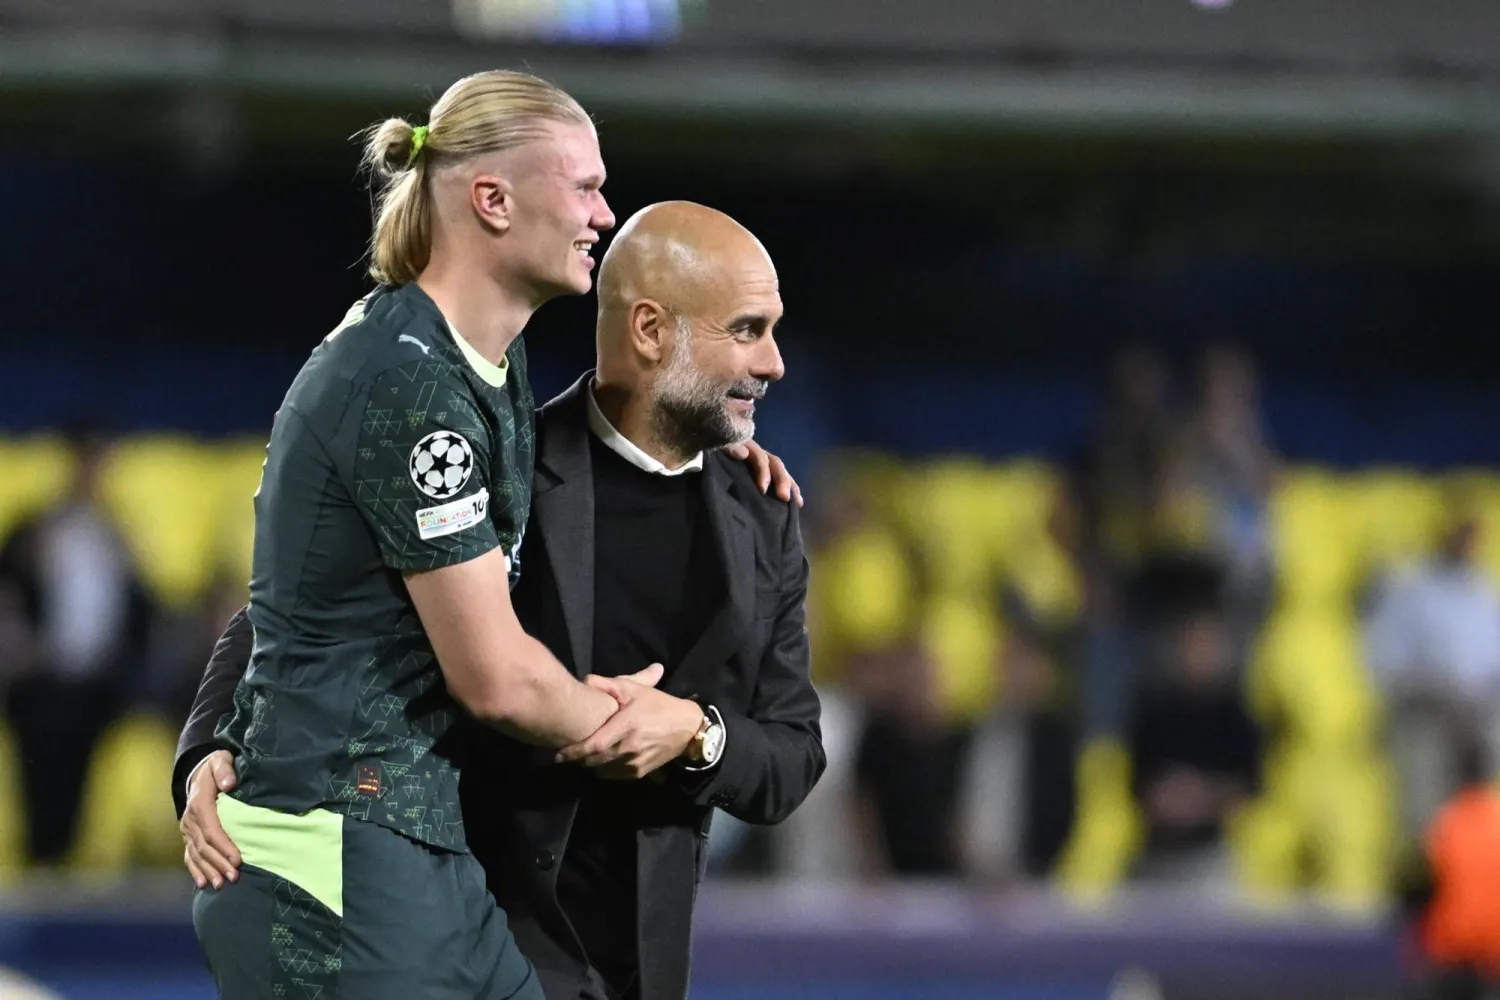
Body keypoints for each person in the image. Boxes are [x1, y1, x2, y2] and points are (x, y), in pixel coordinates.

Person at [176, 201, 822, 1000]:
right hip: (469, 929)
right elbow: (297, 608)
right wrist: (203, 751)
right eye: (749, 330)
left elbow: (792, 755)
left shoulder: (764, 515)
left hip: (640, 964)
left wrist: (697, 734)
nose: (775, 363)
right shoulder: (502, 460)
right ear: (652, 331)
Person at [185, 70, 643, 1000]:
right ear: (493, 200)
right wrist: (638, 725)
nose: (604, 214)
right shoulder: (406, 381)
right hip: (331, 851)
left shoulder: (484, 364)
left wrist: (724, 446)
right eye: (585, 187)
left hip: (417, 846)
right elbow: (494, 678)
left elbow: (305, 591)